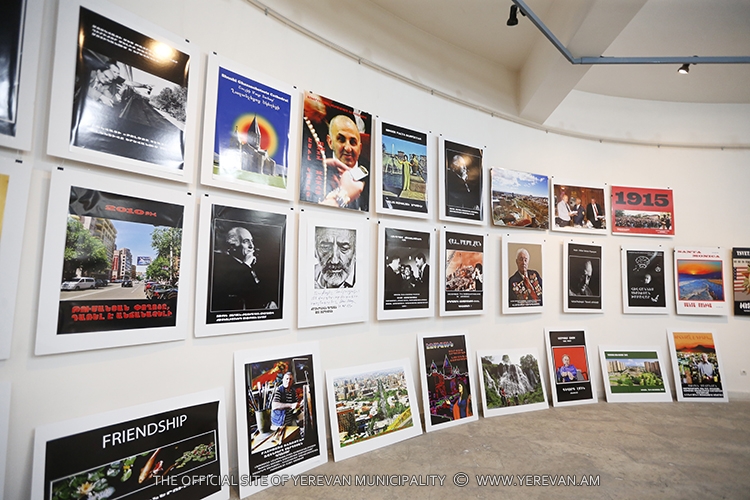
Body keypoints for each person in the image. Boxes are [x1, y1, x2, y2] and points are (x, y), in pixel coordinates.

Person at [210, 226, 278, 311]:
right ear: (232, 246)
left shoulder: (257, 263)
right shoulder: (222, 266)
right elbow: (233, 293)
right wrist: (246, 265)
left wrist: (270, 302)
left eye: (252, 241)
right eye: (246, 241)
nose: (252, 246)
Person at [319, 115, 369, 210]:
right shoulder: (318, 166)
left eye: (353, 142)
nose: (348, 148)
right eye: (341, 140)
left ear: (360, 148)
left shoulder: (372, 175)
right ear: (330, 142)